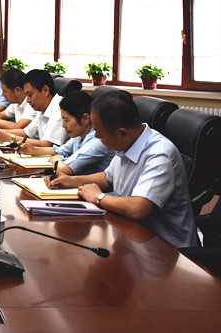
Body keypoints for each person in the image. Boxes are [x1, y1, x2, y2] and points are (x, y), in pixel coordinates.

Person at [45, 90, 196, 248]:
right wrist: (70, 181)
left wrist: (98, 197)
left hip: (165, 248)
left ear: (121, 133)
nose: (96, 137)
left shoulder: (159, 154)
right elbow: (107, 178)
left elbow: (138, 207)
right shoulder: (128, 141)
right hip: (130, 235)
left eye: (100, 134)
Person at [18, 91, 115, 175]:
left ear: (85, 119)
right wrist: (34, 150)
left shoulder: (97, 142)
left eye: (66, 120)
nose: (63, 125)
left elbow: (64, 168)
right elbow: (60, 151)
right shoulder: (79, 134)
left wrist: (57, 160)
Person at [2, 69, 68, 148]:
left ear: (45, 90)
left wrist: (10, 137)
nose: (27, 100)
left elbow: (47, 144)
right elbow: (26, 133)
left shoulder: (60, 108)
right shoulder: (42, 109)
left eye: (30, 95)